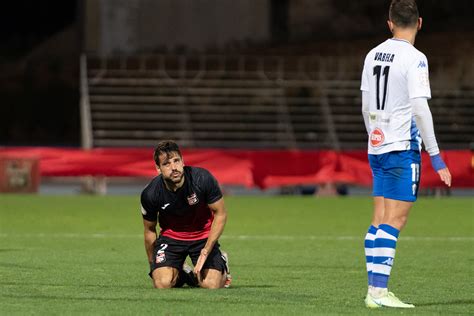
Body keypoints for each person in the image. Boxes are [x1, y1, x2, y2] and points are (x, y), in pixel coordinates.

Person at [360, 0, 451, 309]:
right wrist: (436, 155)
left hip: (377, 145)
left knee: (378, 221)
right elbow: (420, 108)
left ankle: (373, 292)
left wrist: (372, 138)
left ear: (389, 23)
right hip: (401, 148)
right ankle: (380, 292)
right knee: (394, 222)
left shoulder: (372, 54)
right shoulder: (415, 58)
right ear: (420, 23)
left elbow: (365, 104)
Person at [141, 140, 231, 289]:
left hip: (203, 236)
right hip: (171, 238)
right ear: (158, 168)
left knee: (211, 284)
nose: (174, 167)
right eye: (167, 164)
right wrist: (153, 266)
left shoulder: (202, 179)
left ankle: (222, 264)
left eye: (176, 161)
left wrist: (206, 250)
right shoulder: (150, 193)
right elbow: (149, 230)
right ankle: (183, 272)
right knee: (162, 283)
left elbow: (220, 213)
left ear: (183, 161)